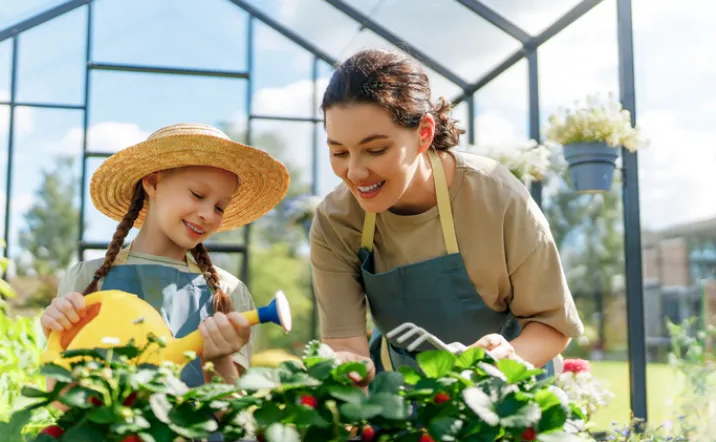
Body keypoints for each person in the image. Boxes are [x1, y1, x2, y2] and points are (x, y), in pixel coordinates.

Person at [309, 48, 584, 384]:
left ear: (424, 133)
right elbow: (344, 343)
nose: (354, 172)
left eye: (376, 149)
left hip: (511, 390)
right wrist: (346, 377)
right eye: (338, 151)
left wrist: (495, 369)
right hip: (404, 393)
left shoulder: (496, 195)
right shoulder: (336, 220)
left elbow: (552, 326)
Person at [39, 123, 290, 388]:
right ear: (153, 182)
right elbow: (60, 397)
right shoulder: (86, 279)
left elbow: (229, 412)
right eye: (197, 194)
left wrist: (219, 359)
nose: (207, 214)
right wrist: (56, 338)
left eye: (219, 207)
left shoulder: (227, 293)